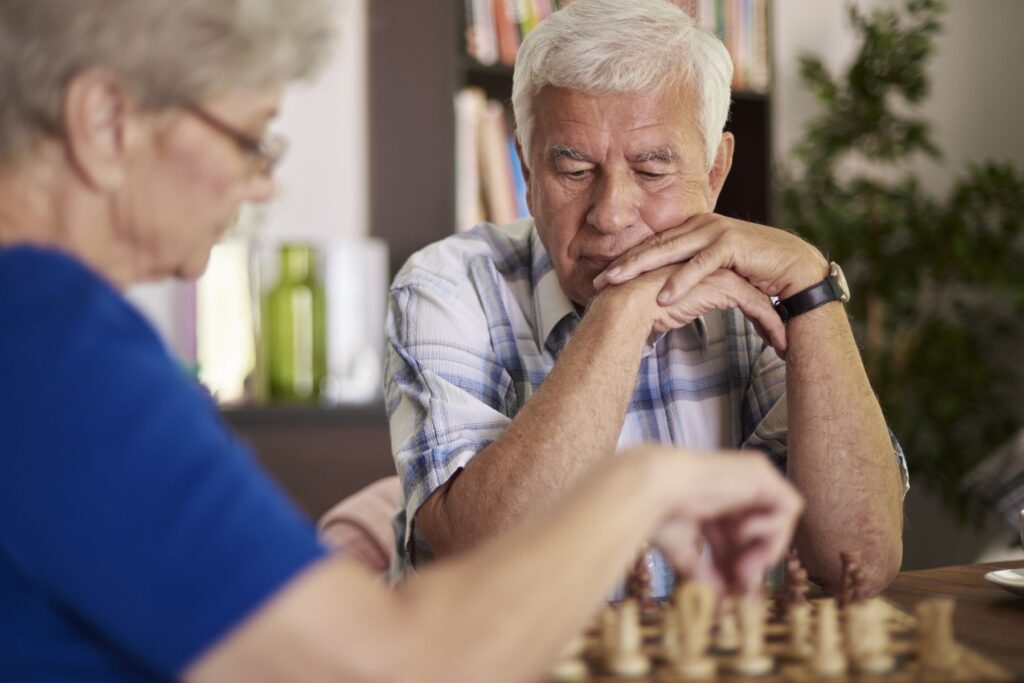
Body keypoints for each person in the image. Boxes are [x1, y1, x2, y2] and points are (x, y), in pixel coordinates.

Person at [0, 1, 804, 681]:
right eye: (249, 139)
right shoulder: (52, 349)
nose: (262, 183)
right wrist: (646, 489)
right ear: (105, 123)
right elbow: (398, 665)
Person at [386, 0, 908, 598]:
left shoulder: (763, 290)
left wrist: (813, 287)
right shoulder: (447, 286)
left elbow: (857, 560)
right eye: (575, 170)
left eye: (653, 171)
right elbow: (481, 560)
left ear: (714, 173)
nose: (610, 215)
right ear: (527, 172)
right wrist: (625, 311)